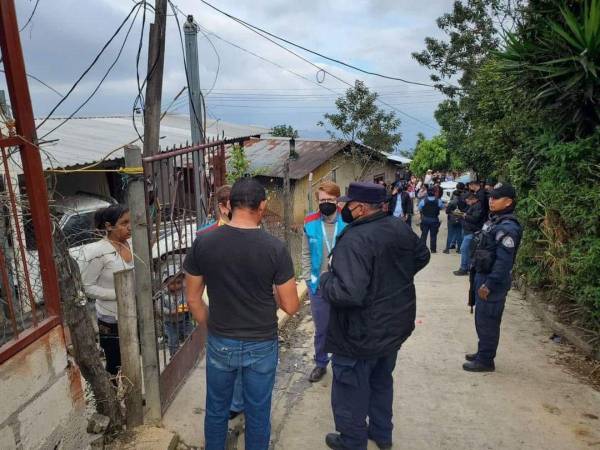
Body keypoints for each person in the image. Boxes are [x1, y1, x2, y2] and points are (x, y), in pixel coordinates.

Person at [184, 178, 300, 450]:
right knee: (258, 412)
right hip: (261, 341)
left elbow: (192, 298)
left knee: (216, 409)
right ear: (262, 205)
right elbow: (291, 306)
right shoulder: (275, 248)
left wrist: (211, 325)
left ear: (231, 205)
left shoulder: (203, 243)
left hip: (221, 338)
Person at [320, 182, 430, 450]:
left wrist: (325, 281)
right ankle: (382, 434)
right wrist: (391, 279)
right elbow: (422, 255)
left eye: (348, 203)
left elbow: (349, 293)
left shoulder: (354, 240)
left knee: (350, 389)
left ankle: (352, 441)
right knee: (381, 380)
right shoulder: (398, 227)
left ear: (358, 208)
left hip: (359, 333)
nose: (344, 208)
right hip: (392, 326)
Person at [196, 185, 245, 420]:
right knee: (226, 363)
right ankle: (232, 403)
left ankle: (239, 400)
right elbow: (197, 279)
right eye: (231, 205)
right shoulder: (204, 236)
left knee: (246, 361)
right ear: (223, 207)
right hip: (218, 304)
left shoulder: (250, 229)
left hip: (246, 305)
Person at [464, 183, 522, 372]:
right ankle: (483, 352)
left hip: (492, 282)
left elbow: (504, 262)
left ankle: (486, 360)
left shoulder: (508, 228)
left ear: (508, 202)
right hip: (483, 276)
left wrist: (489, 284)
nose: (491, 200)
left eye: (496, 198)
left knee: (488, 321)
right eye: (490, 197)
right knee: (482, 318)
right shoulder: (495, 221)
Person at [301, 181, 347, 383]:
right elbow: (305, 252)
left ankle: (341, 363)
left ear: (337, 200)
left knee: (343, 326)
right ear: (317, 200)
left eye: (330, 199)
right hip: (318, 285)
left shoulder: (348, 221)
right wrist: (307, 278)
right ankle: (321, 363)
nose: (326, 203)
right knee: (322, 329)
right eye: (322, 200)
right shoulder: (310, 221)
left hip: (343, 285)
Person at [79, 205, 133, 375]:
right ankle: (113, 397)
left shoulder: (133, 244)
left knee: (132, 357)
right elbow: (87, 287)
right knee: (115, 363)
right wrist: (118, 295)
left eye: (131, 222)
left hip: (134, 312)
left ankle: (133, 393)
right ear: (109, 226)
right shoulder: (97, 251)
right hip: (111, 318)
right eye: (124, 223)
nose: (130, 227)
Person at [157, 268, 193, 357]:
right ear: (166, 284)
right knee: (173, 340)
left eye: (178, 282)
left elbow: (190, 301)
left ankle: (192, 353)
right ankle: (174, 356)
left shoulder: (184, 292)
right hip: (170, 323)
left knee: (190, 335)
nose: (176, 286)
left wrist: (189, 306)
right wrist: (170, 312)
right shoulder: (163, 295)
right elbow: (160, 308)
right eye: (172, 283)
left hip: (184, 320)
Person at [453, 193, 485, 276]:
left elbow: (474, 219)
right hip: (468, 229)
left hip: (472, 231)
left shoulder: (478, 206)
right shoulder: (473, 205)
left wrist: (464, 215)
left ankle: (464, 268)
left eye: (468, 201)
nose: (467, 203)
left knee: (464, 249)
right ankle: (467, 267)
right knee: (467, 250)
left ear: (473, 199)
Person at [418, 187, 444, 253]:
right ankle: (433, 249)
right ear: (434, 193)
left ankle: (422, 249)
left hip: (425, 219)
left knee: (424, 235)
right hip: (434, 219)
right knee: (433, 235)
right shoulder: (438, 200)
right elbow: (442, 207)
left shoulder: (423, 200)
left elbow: (420, 208)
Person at [443, 185, 465, 253]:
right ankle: (459, 249)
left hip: (451, 219)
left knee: (450, 234)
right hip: (460, 219)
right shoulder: (463, 202)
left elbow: (447, 212)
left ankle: (447, 249)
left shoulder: (451, 202)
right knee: (459, 234)